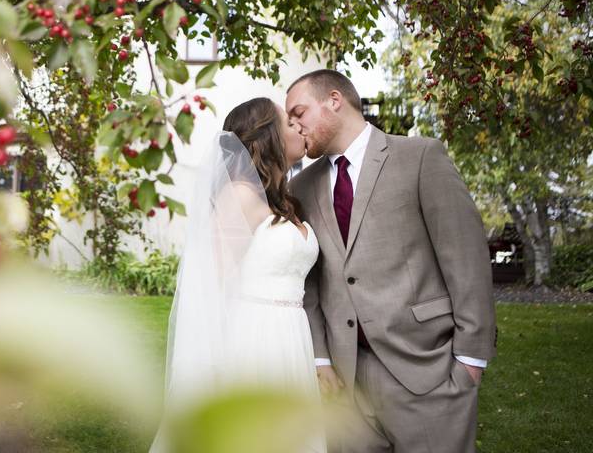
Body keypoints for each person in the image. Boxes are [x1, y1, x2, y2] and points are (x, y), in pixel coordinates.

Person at [286, 70, 497, 452]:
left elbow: (466, 260)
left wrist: (469, 361)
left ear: (334, 100)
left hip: (426, 370)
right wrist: (320, 359)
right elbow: (308, 285)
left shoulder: (419, 157)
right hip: (345, 384)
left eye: (299, 112)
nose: (294, 125)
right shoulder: (300, 186)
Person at [151, 97, 325, 453]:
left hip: (292, 338)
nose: (298, 127)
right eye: (288, 123)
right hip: (254, 342)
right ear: (267, 138)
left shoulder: (284, 199)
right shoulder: (240, 197)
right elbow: (214, 284)